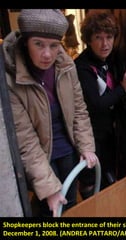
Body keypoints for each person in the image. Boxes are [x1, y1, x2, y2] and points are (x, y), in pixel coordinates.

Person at [2, 9, 98, 217]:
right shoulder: (9, 79)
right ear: (26, 42)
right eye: (39, 44)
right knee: (49, 205)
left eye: (54, 46)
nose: (47, 54)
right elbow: (25, 139)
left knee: (69, 201)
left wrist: (87, 146)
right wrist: (47, 186)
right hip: (40, 154)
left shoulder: (67, 67)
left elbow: (79, 110)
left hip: (67, 148)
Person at [74, 10, 126, 199]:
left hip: (110, 130)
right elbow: (97, 104)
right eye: (98, 38)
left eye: (109, 37)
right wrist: (123, 87)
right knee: (90, 180)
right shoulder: (81, 67)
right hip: (90, 135)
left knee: (109, 173)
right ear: (89, 39)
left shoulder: (111, 59)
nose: (105, 44)